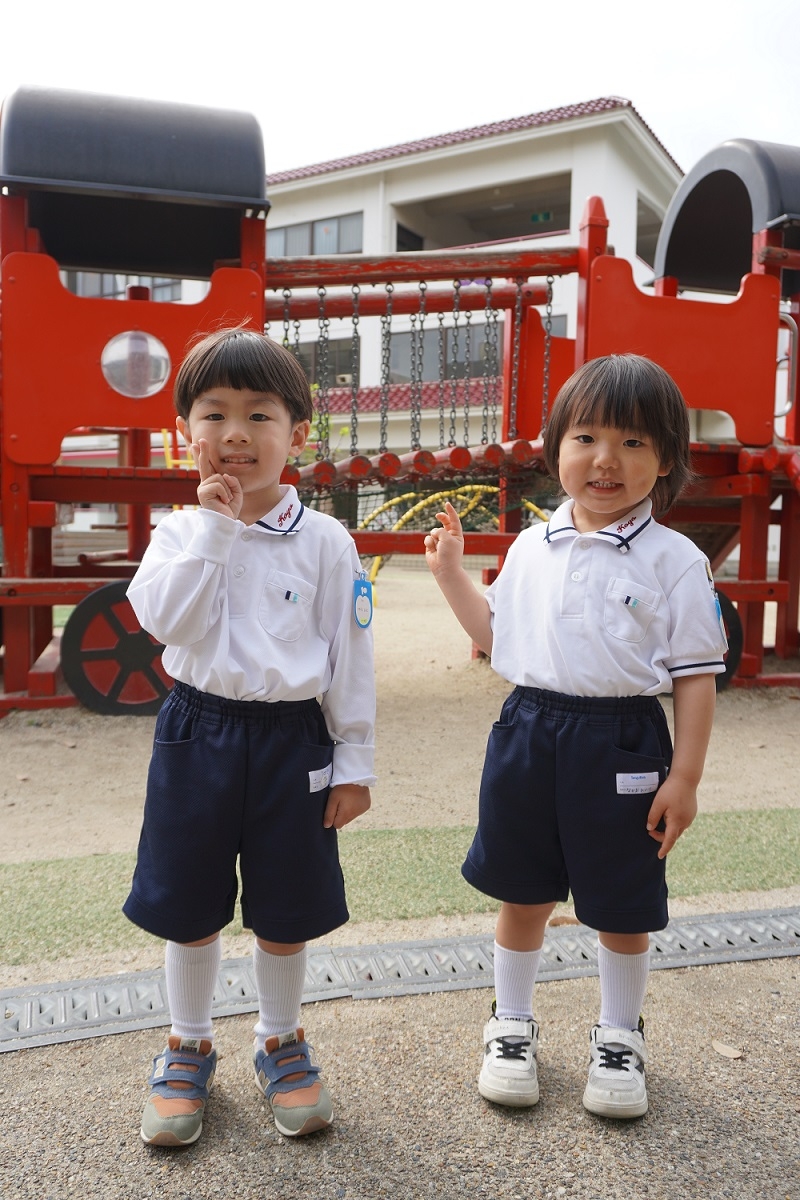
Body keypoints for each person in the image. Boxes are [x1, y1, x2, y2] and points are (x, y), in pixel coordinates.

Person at [425, 354, 726, 1119]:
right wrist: (454, 577)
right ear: (555, 447)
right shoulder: (531, 547)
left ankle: (620, 1037)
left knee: (623, 901)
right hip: (528, 730)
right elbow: (497, 636)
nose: (606, 459)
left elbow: (694, 676)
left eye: (633, 442)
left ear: (664, 461)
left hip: (622, 739)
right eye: (586, 436)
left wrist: (684, 776)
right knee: (522, 889)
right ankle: (511, 1026)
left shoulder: (677, 561)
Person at [124, 327, 376, 1146]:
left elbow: (349, 657)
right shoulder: (176, 534)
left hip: (293, 741)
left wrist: (354, 761)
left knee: (286, 905)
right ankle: (186, 1044)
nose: (236, 433)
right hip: (199, 732)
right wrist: (216, 532)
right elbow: (167, 623)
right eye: (215, 413)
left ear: (297, 435)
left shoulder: (328, 543)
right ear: (183, 434)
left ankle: (280, 1038)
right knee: (188, 901)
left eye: (260, 414)